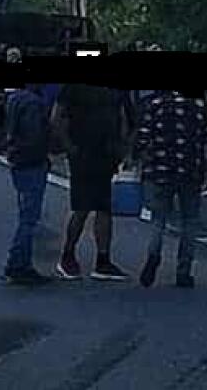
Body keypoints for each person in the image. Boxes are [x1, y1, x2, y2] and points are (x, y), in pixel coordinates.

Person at [132, 89, 207, 288]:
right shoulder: (199, 107)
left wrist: (138, 160)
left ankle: (153, 256)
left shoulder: (154, 105)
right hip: (190, 171)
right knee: (189, 221)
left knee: (158, 218)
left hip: (160, 170)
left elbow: (143, 137)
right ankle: (184, 271)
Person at [52, 81, 134, 281]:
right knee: (83, 206)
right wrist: (69, 146)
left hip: (103, 153)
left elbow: (128, 118)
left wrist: (123, 148)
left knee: (102, 207)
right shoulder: (75, 87)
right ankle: (69, 256)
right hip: (86, 153)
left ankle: (101, 260)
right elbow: (56, 117)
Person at [1, 82, 53, 285]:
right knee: (29, 217)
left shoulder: (15, 98)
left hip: (18, 160)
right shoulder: (33, 103)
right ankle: (18, 263)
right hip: (31, 161)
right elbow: (34, 136)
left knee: (26, 213)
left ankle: (21, 262)